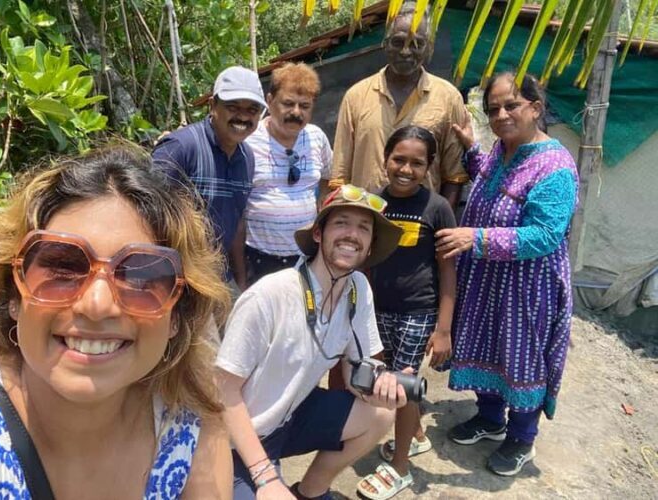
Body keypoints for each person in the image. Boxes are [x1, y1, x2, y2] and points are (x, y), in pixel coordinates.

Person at [0, 145, 233, 499]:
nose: (97, 305)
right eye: (62, 268)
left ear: (176, 317)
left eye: (140, 276)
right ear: (13, 297)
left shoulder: (186, 428)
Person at [217, 184, 408, 500]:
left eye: (363, 228)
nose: (352, 234)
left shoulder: (357, 288)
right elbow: (222, 390)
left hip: (289, 418)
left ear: (371, 244)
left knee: (380, 415)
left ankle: (311, 492)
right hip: (235, 437)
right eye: (341, 222)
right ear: (318, 234)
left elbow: (355, 374)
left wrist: (382, 386)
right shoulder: (270, 295)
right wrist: (266, 477)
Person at [436, 72, 578, 477]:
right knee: (484, 343)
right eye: (493, 108)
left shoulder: (555, 165)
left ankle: (521, 437)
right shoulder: (502, 151)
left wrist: (475, 237)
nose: (500, 114)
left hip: (528, 287)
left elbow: (545, 235)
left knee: (521, 357)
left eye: (511, 105)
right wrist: (471, 148)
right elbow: (491, 179)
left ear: (535, 108)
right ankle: (490, 416)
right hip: (486, 278)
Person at [356, 126, 456, 499]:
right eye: (399, 159)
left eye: (417, 163)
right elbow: (363, 260)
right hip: (376, 310)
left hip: (418, 312)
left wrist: (443, 328)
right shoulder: (373, 203)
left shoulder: (438, 208)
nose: (406, 169)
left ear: (429, 166)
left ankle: (400, 467)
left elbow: (447, 271)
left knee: (404, 386)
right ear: (385, 159)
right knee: (379, 376)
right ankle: (412, 435)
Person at [329, 1, 468, 209]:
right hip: (367, 222)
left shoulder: (448, 98)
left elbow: (454, 176)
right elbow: (340, 176)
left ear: (429, 47)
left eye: (416, 44)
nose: (405, 51)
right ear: (385, 43)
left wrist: (439, 226)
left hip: (420, 227)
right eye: (398, 41)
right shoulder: (356, 96)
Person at [153, 66, 267, 294]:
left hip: (217, 280)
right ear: (213, 106)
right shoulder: (181, 148)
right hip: (174, 281)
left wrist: (241, 280)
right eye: (233, 107)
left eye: (252, 110)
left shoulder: (247, 158)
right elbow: (147, 217)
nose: (243, 117)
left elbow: (236, 223)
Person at [243, 62, 332, 283]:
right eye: (288, 103)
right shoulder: (248, 142)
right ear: (270, 100)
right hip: (258, 258)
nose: (296, 112)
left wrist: (319, 205)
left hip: (306, 256)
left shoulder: (317, 138)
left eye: (304, 106)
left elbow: (328, 178)